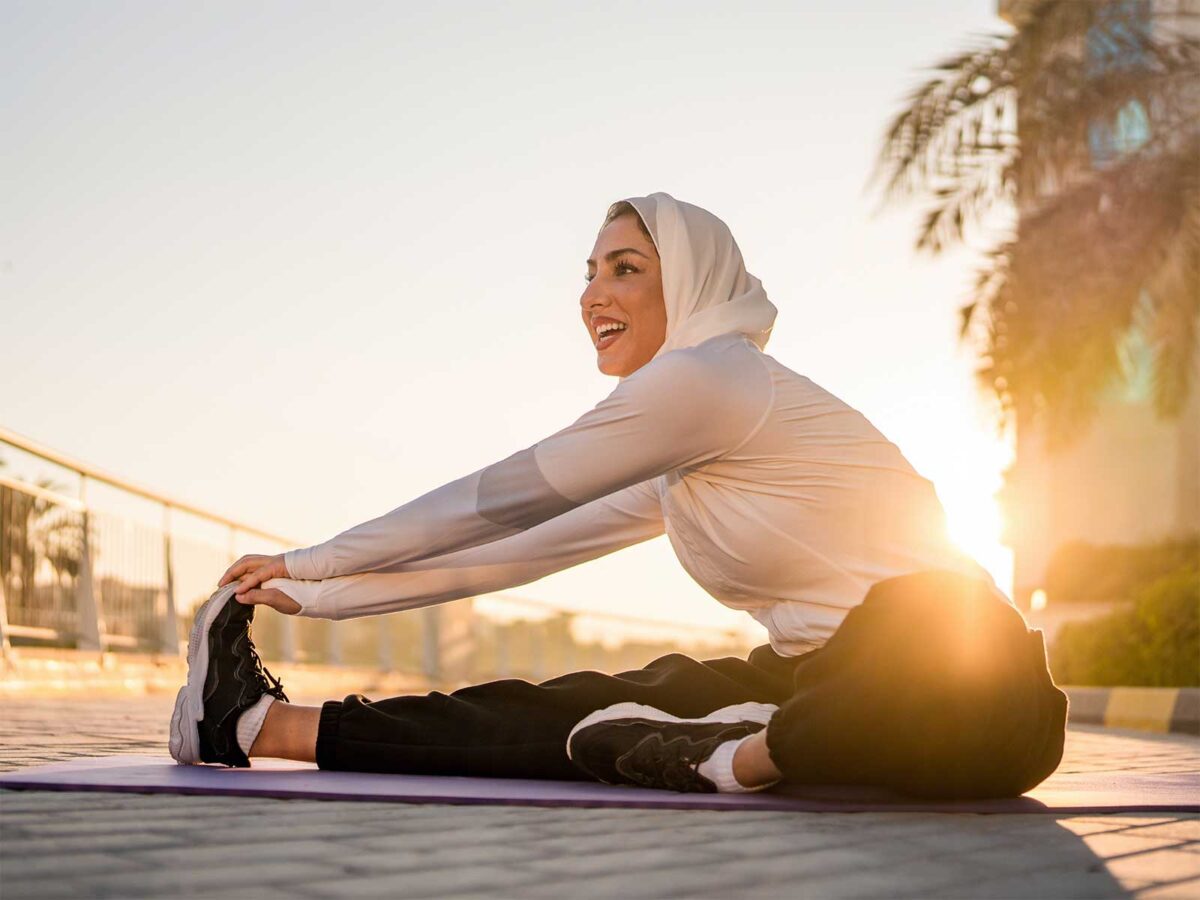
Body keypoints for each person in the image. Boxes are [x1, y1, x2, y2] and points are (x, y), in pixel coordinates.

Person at [169, 192, 1068, 799]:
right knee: (581, 701)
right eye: (591, 271)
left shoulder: (714, 381)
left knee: (924, 614)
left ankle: (743, 757)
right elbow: (525, 546)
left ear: (693, 281)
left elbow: (501, 498)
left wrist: (313, 558)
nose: (594, 294)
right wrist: (321, 599)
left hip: (964, 680)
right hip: (818, 677)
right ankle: (255, 725)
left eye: (626, 269)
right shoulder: (688, 440)